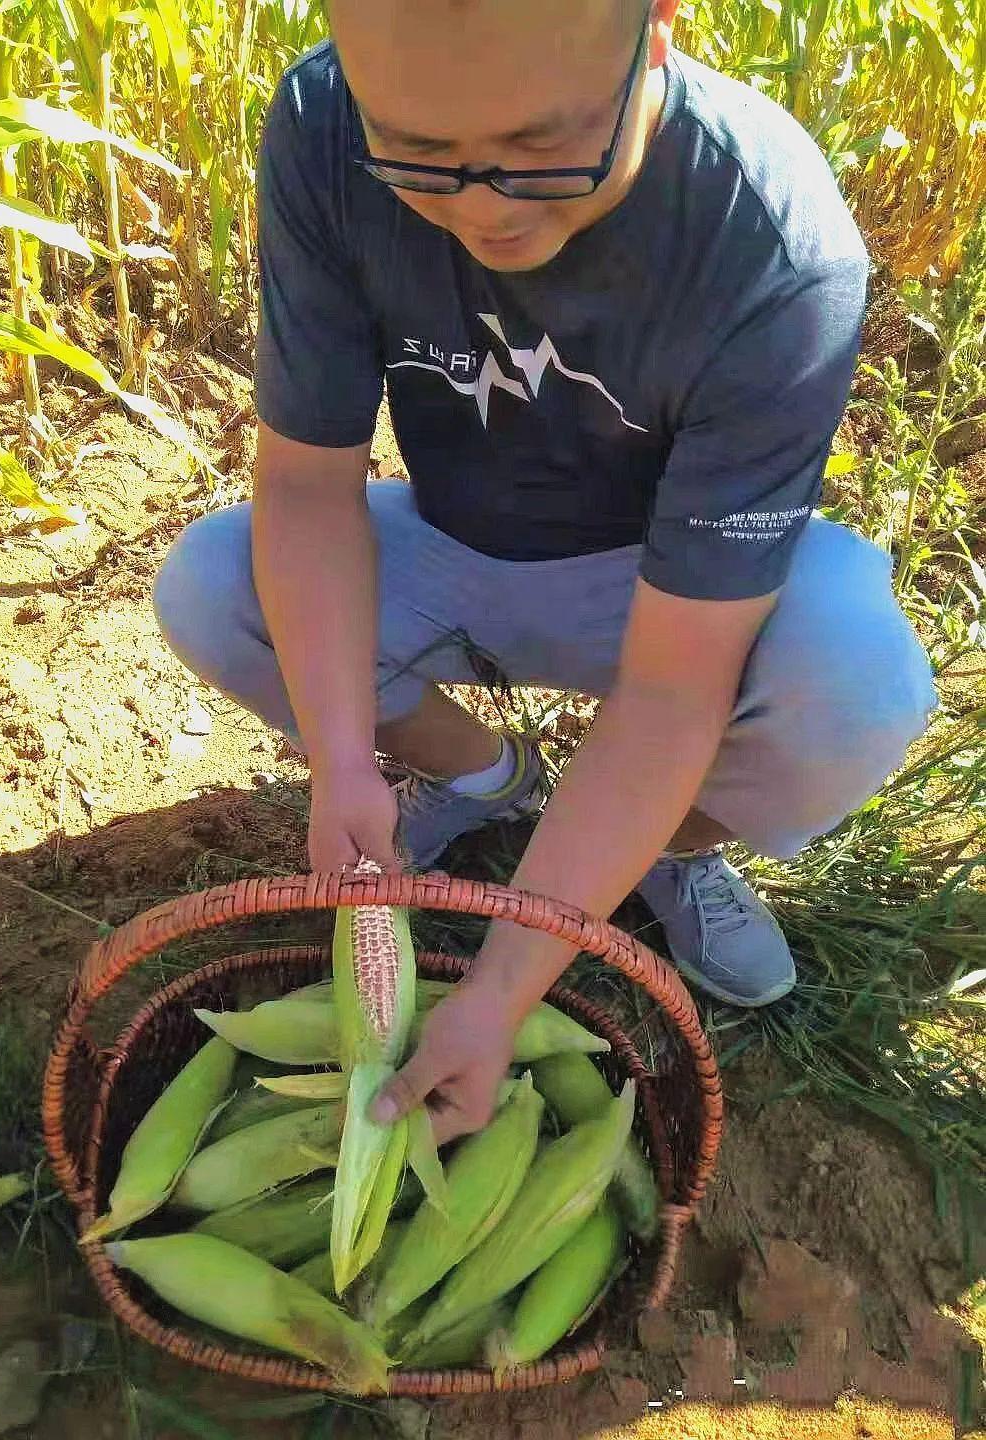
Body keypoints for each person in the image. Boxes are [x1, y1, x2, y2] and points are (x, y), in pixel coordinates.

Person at [154, 0, 936, 1144]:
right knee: (214, 586)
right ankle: (486, 783)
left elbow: (675, 687)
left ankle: (658, 858)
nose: (481, 208)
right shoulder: (325, 123)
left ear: (657, 30)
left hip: (673, 590)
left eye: (540, 149)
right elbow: (308, 489)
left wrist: (498, 993)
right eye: (421, 157)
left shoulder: (772, 247)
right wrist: (336, 761)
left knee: (857, 683)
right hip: (459, 544)